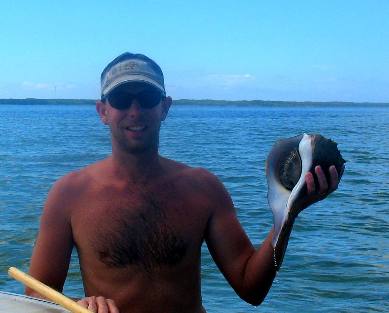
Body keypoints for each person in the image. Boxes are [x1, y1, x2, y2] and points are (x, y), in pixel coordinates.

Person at [26, 52, 341, 313]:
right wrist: (77, 305)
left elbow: (250, 287)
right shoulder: (69, 194)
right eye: (122, 98)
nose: (135, 110)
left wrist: (286, 215)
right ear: (103, 111)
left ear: (164, 107)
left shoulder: (202, 188)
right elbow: (34, 299)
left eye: (148, 97)